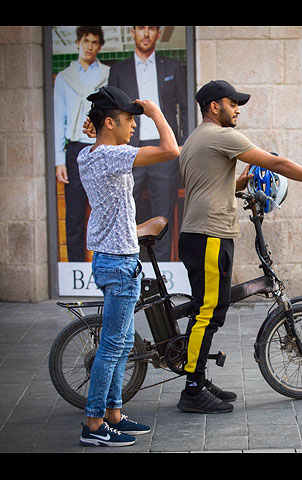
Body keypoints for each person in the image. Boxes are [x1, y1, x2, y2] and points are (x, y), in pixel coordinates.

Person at [177, 80, 302, 414]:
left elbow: (209, 184)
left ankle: (198, 375)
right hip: (209, 235)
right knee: (207, 313)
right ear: (215, 106)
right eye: (233, 103)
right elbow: (277, 164)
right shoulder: (223, 136)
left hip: (200, 234)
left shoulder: (196, 138)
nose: (238, 108)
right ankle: (192, 390)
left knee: (208, 310)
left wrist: (239, 183)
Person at [77, 86, 180, 446]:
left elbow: (97, 138)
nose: (134, 125)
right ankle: (93, 425)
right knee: (112, 345)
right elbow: (171, 150)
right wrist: (155, 112)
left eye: (137, 119)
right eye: (129, 120)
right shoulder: (111, 156)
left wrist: (99, 127)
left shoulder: (87, 156)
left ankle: (114, 415)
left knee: (120, 345)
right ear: (110, 122)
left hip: (116, 258)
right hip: (118, 263)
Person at [108, 26, 188, 261]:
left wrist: (182, 144)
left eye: (151, 28)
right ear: (132, 32)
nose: (146, 33)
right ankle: (129, 265)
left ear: (158, 33)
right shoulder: (119, 70)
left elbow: (184, 108)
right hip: (129, 150)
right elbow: (111, 111)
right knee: (124, 211)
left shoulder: (172, 66)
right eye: (141, 28)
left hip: (164, 151)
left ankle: (162, 271)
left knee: (162, 214)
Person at [54, 26, 110, 262]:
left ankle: (107, 264)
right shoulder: (65, 77)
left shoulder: (108, 74)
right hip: (76, 148)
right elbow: (59, 119)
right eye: (86, 41)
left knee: (106, 211)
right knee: (75, 213)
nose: (89, 46)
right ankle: (74, 267)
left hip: (103, 148)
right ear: (78, 42)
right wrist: (59, 160)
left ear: (99, 45)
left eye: (95, 42)